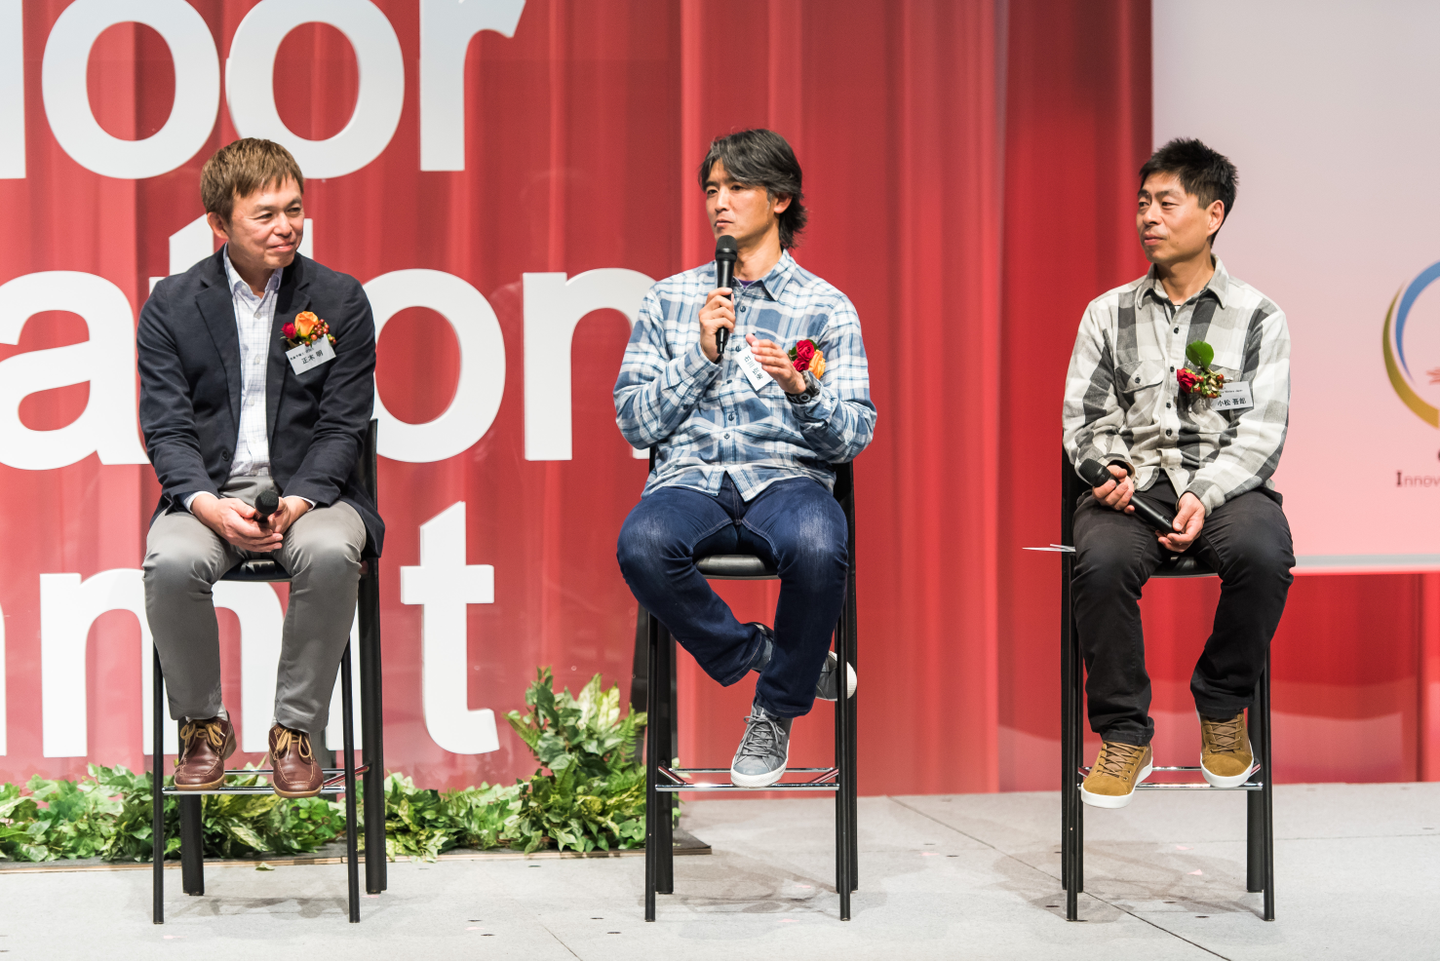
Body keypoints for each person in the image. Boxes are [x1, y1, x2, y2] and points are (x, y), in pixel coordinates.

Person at [614, 129, 876, 787]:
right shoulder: (671, 299)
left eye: (736, 187)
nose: (719, 203)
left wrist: (802, 388)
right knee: (641, 543)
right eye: (712, 189)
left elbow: (853, 435)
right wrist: (699, 355)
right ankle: (771, 655)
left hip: (786, 480)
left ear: (780, 198)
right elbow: (633, 420)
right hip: (690, 481)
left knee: (820, 540)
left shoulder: (826, 307)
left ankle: (776, 709)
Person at [138, 139, 382, 798]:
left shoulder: (338, 299)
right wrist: (207, 505)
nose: (286, 227)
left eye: (294, 209)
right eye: (265, 215)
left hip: (313, 491)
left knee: (330, 552)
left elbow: (343, 426)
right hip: (210, 495)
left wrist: (299, 501)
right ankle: (202, 727)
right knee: (170, 562)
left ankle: (295, 731)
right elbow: (167, 429)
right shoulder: (172, 305)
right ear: (219, 223)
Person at [1062, 138, 1294, 808]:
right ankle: (1123, 732)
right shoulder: (1107, 312)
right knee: (1100, 562)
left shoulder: (1258, 316)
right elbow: (1085, 417)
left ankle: (1222, 702)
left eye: (1167, 203)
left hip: (1224, 483)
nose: (1149, 217)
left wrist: (1203, 492)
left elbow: (1261, 433)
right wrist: (1107, 466)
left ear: (1213, 213)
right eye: (1143, 204)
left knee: (1264, 553)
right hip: (1132, 484)